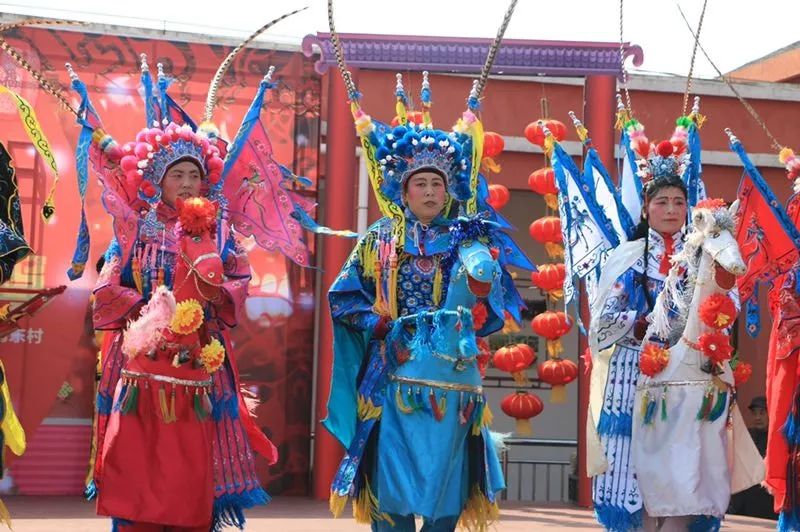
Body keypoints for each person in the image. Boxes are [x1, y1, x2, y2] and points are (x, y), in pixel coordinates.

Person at [322, 68, 532, 530]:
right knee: (388, 486)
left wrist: (481, 288)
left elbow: (488, 307)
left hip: (449, 371)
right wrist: (379, 324)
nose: (431, 192)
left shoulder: (466, 239)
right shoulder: (379, 238)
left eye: (438, 184)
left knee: (447, 486)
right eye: (421, 184)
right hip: (389, 370)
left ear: (449, 189)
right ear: (403, 190)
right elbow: (342, 298)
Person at [728, 396, 776, 520]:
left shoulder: (776, 439)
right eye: (754, 413)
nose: (757, 417)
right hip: (744, 501)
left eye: (762, 413)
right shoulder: (747, 436)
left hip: (767, 503)